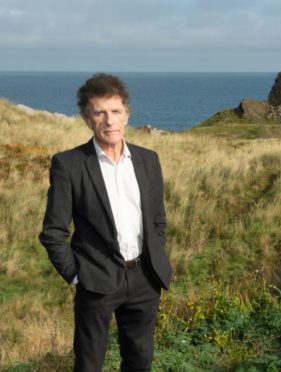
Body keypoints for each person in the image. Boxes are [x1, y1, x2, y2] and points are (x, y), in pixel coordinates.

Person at [39, 73, 172, 371]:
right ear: (88, 119)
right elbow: (53, 233)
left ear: (127, 115)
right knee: (89, 364)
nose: (109, 121)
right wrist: (76, 277)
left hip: (144, 280)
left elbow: (157, 220)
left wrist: (153, 258)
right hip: (95, 282)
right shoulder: (69, 165)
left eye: (115, 112)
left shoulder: (148, 160)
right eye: (99, 113)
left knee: (140, 361)